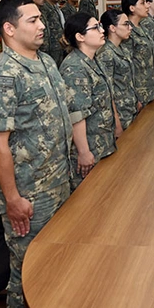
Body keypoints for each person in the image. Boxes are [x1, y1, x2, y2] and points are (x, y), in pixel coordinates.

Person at [0, 0, 74, 308]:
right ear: (9, 28)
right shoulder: (3, 77)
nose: (42, 25)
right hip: (30, 194)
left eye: (40, 19)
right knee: (28, 272)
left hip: (60, 179)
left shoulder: (46, 62)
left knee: (58, 264)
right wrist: (12, 199)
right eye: (32, 20)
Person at [60, 13, 122, 190]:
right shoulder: (75, 67)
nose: (102, 30)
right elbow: (76, 114)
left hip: (102, 141)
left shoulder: (93, 59)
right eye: (95, 28)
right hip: (90, 147)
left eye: (100, 26)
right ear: (80, 37)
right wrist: (84, 152)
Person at [96, 9, 139, 130]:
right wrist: (116, 121)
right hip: (120, 113)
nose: (130, 28)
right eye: (126, 24)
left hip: (130, 108)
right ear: (112, 28)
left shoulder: (122, 48)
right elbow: (108, 91)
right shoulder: (106, 54)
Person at [123, 0, 154, 107]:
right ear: (132, 8)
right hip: (138, 92)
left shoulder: (142, 27)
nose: (147, 6)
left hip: (148, 87)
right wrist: (134, 97)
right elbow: (127, 67)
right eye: (142, 3)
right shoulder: (128, 32)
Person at [39, 0, 65, 66]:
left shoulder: (55, 7)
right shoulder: (44, 9)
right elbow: (44, 30)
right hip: (50, 49)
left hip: (59, 46)